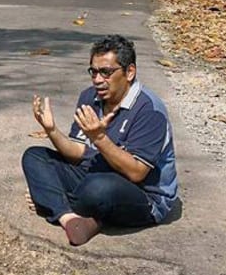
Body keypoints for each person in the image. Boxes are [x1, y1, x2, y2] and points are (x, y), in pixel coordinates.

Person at [21, 34, 180, 246]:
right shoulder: (90, 97)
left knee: (98, 189)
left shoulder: (150, 110)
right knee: (34, 156)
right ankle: (69, 218)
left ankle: (52, 202)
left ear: (129, 72)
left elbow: (136, 172)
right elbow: (77, 152)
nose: (97, 79)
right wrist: (51, 131)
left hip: (143, 195)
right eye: (93, 72)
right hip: (95, 173)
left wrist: (99, 137)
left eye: (106, 72)